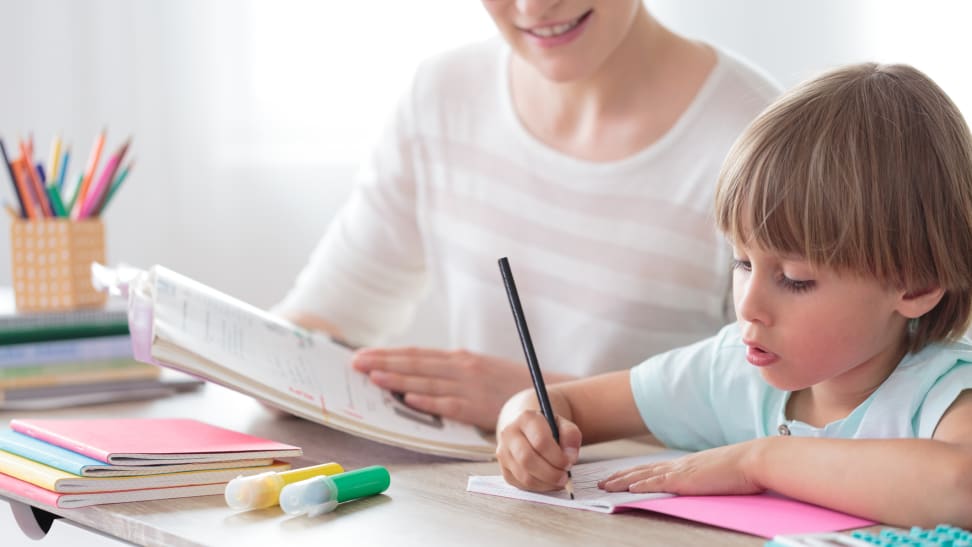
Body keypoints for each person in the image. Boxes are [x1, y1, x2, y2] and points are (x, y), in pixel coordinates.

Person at [494, 62, 972, 527]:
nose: (747, 306)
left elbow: (961, 488)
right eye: (743, 262)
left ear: (918, 284)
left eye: (795, 279)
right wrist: (524, 427)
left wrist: (759, 460)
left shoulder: (945, 393)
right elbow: (562, 404)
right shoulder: (732, 370)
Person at [274, 1, 780, 430]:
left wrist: (544, 398)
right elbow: (328, 312)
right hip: (479, 501)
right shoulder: (442, 96)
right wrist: (263, 366)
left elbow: (791, 414)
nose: (533, 8)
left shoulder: (762, 144)